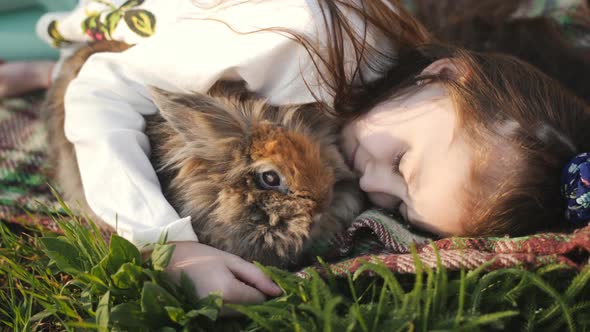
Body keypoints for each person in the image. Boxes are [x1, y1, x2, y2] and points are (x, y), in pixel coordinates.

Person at [3, 0, 590, 307]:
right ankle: (50, 59)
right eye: (404, 164)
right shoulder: (296, 43)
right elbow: (104, 90)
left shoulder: (391, 101)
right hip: (147, 20)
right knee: (86, 67)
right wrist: (170, 246)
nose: (372, 185)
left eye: (402, 209)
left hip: (193, 44)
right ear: (443, 73)